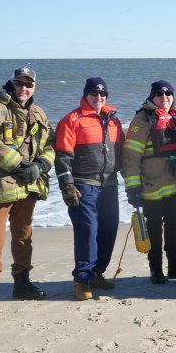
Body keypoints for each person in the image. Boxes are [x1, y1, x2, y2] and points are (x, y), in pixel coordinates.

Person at [0, 67, 54, 312]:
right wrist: (18, 165)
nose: (24, 89)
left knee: (24, 237)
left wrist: (40, 165)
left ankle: (22, 284)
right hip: (0, 186)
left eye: (29, 85)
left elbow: (50, 144)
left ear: (34, 87)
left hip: (29, 186)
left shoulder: (38, 113)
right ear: (12, 83)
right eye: (20, 83)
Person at [55, 78, 125, 301]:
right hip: (84, 186)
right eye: (94, 93)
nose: (99, 97)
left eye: (103, 94)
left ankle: (97, 274)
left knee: (109, 229)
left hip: (110, 185)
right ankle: (82, 280)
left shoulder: (114, 122)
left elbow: (123, 155)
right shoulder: (72, 120)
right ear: (86, 95)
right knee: (88, 232)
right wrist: (67, 185)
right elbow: (63, 156)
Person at [122, 80, 176, 284]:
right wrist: (132, 188)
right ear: (152, 97)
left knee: (174, 227)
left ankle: (175, 266)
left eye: (168, 93)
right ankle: (156, 270)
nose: (164, 97)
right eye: (159, 94)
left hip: (175, 184)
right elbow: (131, 157)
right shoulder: (142, 120)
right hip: (151, 187)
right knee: (154, 228)